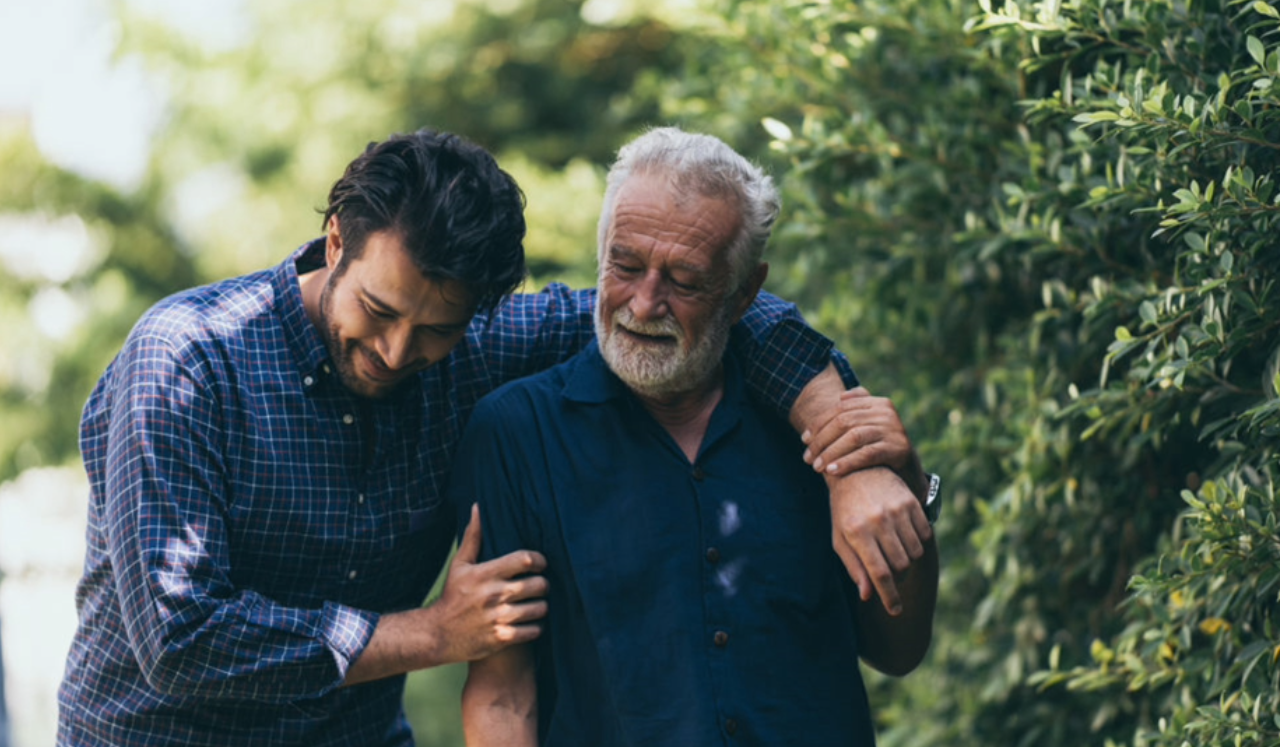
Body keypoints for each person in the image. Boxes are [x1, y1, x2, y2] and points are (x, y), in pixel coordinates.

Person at [55, 128, 925, 745]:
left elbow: (723, 313)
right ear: (335, 244)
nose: (397, 353)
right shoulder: (187, 362)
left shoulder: (478, 345)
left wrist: (845, 452)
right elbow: (180, 638)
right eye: (379, 310)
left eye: (434, 331)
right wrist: (435, 632)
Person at [453, 127, 940, 746]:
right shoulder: (516, 432)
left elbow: (897, 650)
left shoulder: (819, 415)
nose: (645, 303)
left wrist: (907, 483)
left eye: (684, 282)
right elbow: (502, 693)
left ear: (744, 294)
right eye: (624, 266)